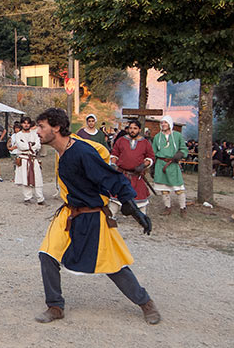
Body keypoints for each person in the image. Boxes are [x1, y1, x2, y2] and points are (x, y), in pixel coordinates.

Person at [33, 108, 158, 325]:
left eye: (41, 126)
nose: (37, 131)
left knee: (113, 265)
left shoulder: (82, 152)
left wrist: (134, 209)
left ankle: (145, 302)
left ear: (56, 127)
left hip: (92, 216)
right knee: (47, 254)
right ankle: (55, 306)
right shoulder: (61, 151)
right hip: (68, 214)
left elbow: (110, 178)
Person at [109, 120, 155, 218]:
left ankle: (144, 222)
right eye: (130, 128)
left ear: (139, 129)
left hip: (137, 177)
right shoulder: (121, 140)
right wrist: (112, 165)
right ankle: (109, 221)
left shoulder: (145, 143)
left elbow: (151, 157)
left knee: (141, 202)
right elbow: (114, 154)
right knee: (115, 202)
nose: (132, 131)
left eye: (135, 128)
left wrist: (143, 166)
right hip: (122, 176)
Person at [152, 115, 189, 216]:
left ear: (170, 124)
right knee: (164, 188)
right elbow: (153, 152)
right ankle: (167, 208)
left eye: (165, 122)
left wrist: (179, 155)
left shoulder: (177, 136)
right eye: (162, 123)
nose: (163, 124)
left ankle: (183, 208)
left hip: (172, 164)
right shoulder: (157, 137)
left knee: (179, 187)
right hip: (160, 164)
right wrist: (152, 167)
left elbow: (184, 149)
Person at [14, 116, 44, 205]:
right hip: (23, 159)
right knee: (25, 178)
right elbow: (20, 146)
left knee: (37, 177)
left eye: (27, 123)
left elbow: (38, 145)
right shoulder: (18, 135)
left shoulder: (34, 134)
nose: (26, 125)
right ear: (21, 124)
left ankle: (40, 198)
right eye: (24, 123)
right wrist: (31, 145)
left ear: (30, 124)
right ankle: (27, 197)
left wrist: (29, 146)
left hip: (33, 159)